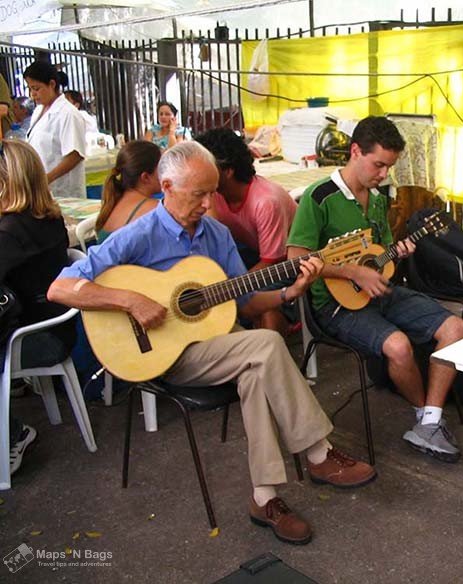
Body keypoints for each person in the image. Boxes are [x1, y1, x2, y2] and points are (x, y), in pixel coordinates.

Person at [48, 142, 375, 545]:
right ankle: (319, 454)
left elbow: (248, 301)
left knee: (258, 366)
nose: (208, 203)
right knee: (266, 347)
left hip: (221, 344)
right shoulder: (139, 235)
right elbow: (60, 288)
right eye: (198, 193)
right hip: (166, 353)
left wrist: (292, 292)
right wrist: (129, 299)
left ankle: (265, 497)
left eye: (212, 192)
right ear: (166, 185)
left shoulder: (216, 235)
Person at [287, 116, 463, 463]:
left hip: (378, 291)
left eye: (389, 166)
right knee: (398, 346)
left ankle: (428, 421)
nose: (384, 174)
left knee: (455, 327)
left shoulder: (378, 199)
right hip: (336, 307)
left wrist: (395, 255)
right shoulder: (319, 197)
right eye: (379, 164)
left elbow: (380, 259)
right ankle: (425, 415)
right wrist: (351, 271)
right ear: (355, 151)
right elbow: (297, 260)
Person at [0, 140, 77, 476]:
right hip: (55, 329)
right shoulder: (47, 218)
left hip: (36, 338)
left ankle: (14, 433)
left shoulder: (11, 232)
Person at [195, 128, 298, 333]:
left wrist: (230, 288)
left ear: (227, 171)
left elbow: (272, 261)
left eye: (206, 166)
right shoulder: (214, 194)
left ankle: (279, 331)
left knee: (250, 299)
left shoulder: (266, 201)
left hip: (287, 264)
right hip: (251, 254)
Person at [23, 62, 87, 198]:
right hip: (41, 189)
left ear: (52, 84)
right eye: (30, 89)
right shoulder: (38, 111)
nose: (32, 94)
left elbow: (75, 155)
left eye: (36, 89)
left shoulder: (68, 113)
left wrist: (47, 179)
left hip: (62, 190)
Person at [95, 140, 161, 243]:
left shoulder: (115, 201)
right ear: (146, 177)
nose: (167, 172)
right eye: (162, 168)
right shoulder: (154, 210)